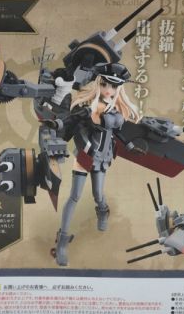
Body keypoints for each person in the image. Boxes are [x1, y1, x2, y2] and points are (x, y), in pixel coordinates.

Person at [47, 62, 140, 266]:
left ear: (118, 88)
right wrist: (57, 124)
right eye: (105, 84)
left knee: (98, 194)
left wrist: (129, 144)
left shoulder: (116, 108)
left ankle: (103, 210)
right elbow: (71, 120)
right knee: (74, 196)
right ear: (98, 83)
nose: (108, 89)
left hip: (103, 157)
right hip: (85, 155)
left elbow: (116, 132)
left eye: (113, 86)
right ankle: (62, 242)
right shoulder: (88, 108)